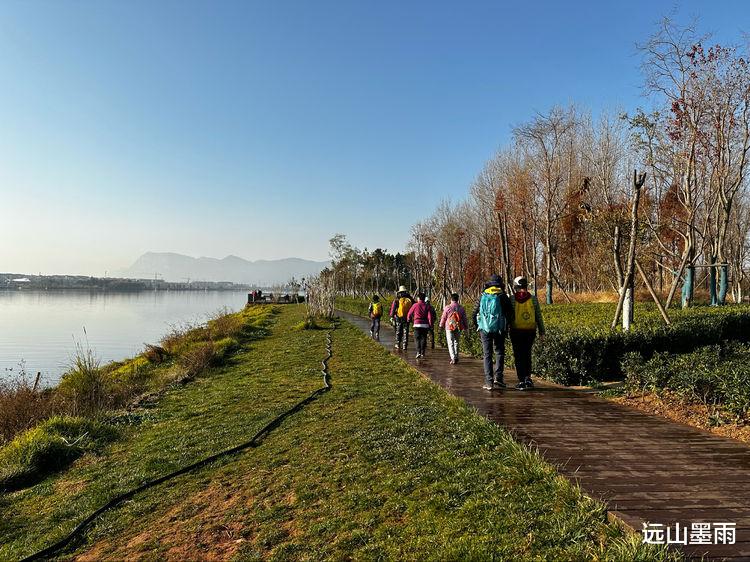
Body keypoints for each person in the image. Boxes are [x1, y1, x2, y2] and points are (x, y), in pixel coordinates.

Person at [472, 274, 514, 391]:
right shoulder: (503, 296)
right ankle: (499, 379)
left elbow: (474, 313)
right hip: (500, 328)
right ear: (500, 284)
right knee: (499, 352)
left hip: (484, 329)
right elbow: (510, 314)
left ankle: (488, 381)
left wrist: (478, 326)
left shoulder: (482, 295)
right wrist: (507, 326)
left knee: (487, 354)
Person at [509, 276, 545, 390]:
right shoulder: (533, 298)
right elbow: (538, 315)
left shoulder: (512, 299)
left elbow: (509, 317)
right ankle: (528, 378)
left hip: (516, 331)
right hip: (530, 331)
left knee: (518, 356)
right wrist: (542, 331)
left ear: (515, 286)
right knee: (527, 354)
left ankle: (521, 380)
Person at [439, 293, 468, 364]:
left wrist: (441, 326)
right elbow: (464, 319)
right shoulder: (461, 308)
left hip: (449, 327)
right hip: (458, 327)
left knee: (450, 343)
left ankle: (453, 358)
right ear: (458, 299)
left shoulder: (447, 307)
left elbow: (443, 318)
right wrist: (466, 327)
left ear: (451, 299)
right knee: (456, 342)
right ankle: (456, 356)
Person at [407, 292, 434, 359]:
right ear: (424, 298)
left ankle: (418, 352)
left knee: (417, 339)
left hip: (417, 324)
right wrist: (430, 324)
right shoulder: (427, 306)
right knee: (423, 338)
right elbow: (429, 316)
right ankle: (423, 352)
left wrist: (408, 319)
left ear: (418, 298)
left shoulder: (415, 305)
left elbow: (409, 313)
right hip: (425, 325)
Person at [389, 285, 413, 350]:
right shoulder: (410, 298)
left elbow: (393, 309)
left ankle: (398, 344)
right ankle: (405, 345)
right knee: (406, 331)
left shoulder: (397, 299)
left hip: (398, 317)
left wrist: (391, 316)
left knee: (398, 331)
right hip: (407, 318)